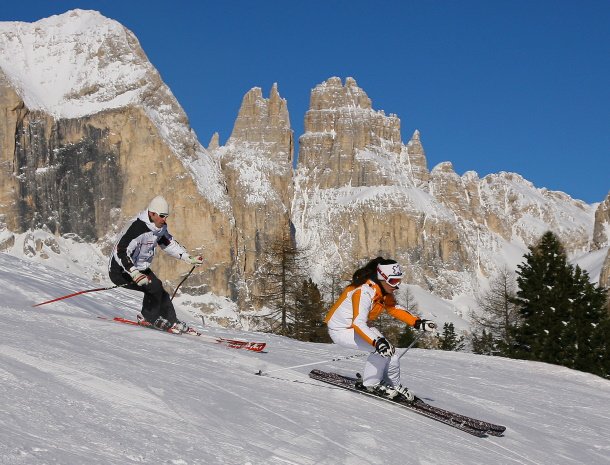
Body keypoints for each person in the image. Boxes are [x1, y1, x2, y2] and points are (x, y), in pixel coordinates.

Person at [324, 257, 437, 400]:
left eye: (399, 280)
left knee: (391, 352)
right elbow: (358, 323)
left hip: (357, 327)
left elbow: (393, 308)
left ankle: (393, 385)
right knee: (380, 350)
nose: (397, 286)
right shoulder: (364, 292)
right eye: (394, 281)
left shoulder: (382, 290)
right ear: (382, 277)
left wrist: (418, 322)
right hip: (341, 330)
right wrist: (376, 342)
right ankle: (371, 384)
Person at [109, 195, 204, 333]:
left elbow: (168, 243)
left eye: (166, 216)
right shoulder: (137, 228)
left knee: (159, 289)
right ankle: (148, 317)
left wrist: (188, 257)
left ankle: (172, 321)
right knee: (152, 288)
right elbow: (121, 251)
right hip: (120, 271)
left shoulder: (159, 228)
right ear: (152, 213)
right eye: (162, 216)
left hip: (140, 268)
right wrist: (134, 273)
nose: (165, 219)